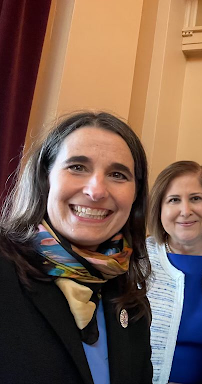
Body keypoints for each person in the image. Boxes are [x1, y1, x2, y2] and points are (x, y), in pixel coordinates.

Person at [0, 112, 152, 383]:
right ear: (45, 178)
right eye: (77, 167)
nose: (96, 191)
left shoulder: (132, 302)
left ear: (135, 196)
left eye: (117, 174)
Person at [146, 161, 202, 384]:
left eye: (196, 198)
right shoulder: (137, 259)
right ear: (159, 208)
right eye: (174, 200)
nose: (186, 211)